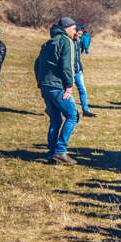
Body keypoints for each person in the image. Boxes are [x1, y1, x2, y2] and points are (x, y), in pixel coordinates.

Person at [34, 17, 80, 164]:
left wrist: (40, 83)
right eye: (73, 29)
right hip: (58, 86)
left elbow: (37, 64)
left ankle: (52, 152)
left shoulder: (48, 42)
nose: (76, 32)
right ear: (66, 29)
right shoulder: (66, 41)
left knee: (55, 120)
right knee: (72, 116)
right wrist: (69, 85)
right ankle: (60, 151)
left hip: (46, 86)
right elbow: (67, 66)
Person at [72, 24, 96, 117]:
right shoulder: (68, 42)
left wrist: (80, 68)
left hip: (78, 71)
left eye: (81, 34)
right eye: (78, 33)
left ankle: (85, 110)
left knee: (83, 90)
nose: (80, 36)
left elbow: (77, 57)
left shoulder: (77, 42)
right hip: (70, 71)